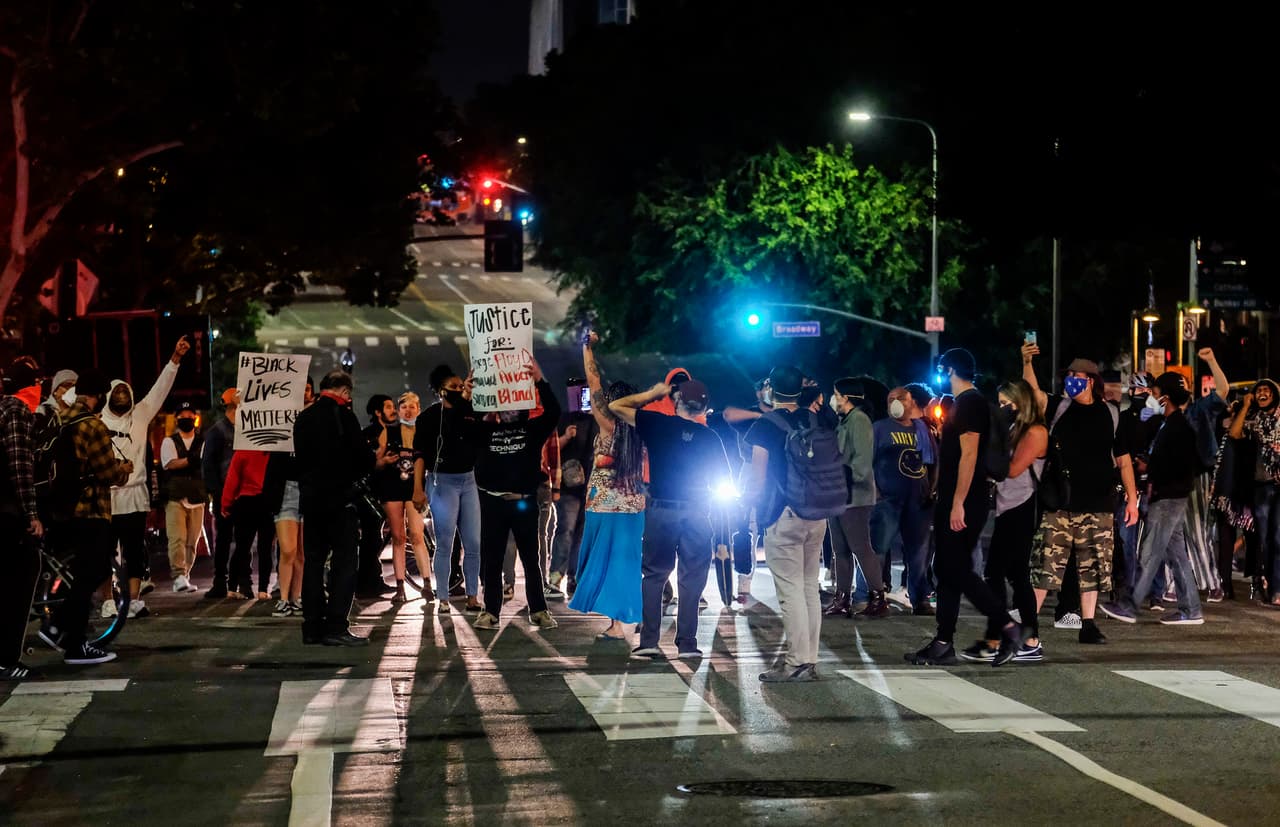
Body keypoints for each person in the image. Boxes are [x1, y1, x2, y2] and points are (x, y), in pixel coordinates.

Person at [906, 349, 1023, 667]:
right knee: (946, 571)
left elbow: (969, 456)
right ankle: (943, 642)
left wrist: (957, 503)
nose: (940, 375)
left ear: (950, 370)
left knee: (957, 570)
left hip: (966, 500)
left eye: (942, 370)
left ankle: (1009, 627)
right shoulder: (960, 404)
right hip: (956, 498)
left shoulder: (970, 404)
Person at [1021, 345, 1139, 646]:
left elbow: (1124, 460)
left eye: (1077, 376)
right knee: (1045, 566)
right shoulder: (1058, 407)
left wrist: (1132, 500)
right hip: (1059, 503)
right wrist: (1027, 361)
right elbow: (1032, 392)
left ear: (1091, 380)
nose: (1071, 380)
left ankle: (1088, 625)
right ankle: (1029, 626)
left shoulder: (1111, 413)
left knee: (1094, 568)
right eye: (1069, 376)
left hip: (1099, 504)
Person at [612, 377, 731, 660]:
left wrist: (652, 393)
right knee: (692, 579)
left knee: (654, 574)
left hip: (662, 510)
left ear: (678, 401)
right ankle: (687, 644)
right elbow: (724, 480)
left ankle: (649, 641)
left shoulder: (657, 423)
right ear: (704, 407)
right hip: (698, 512)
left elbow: (615, 406)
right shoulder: (710, 437)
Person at [744, 366, 839, 681]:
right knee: (809, 586)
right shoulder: (815, 418)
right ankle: (808, 660)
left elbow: (757, 476)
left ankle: (796, 662)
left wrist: (750, 504)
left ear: (772, 389)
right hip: (816, 512)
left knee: (790, 590)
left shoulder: (765, 425)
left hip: (782, 514)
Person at [39, 368, 131, 665]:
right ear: (98, 396)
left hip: (64, 510)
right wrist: (124, 470)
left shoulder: (63, 420)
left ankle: (74, 642)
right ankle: (57, 628)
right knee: (91, 573)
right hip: (92, 509)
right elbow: (106, 473)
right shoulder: (93, 426)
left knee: (81, 574)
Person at [1102, 373, 1207, 625]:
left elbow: (1182, 464)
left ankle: (1130, 605)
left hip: (1168, 497)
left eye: (1155, 391)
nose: (1152, 396)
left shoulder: (1178, 426)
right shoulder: (1168, 423)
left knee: (1149, 553)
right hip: (1170, 496)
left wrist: (1150, 471)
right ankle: (1191, 609)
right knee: (1177, 555)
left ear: (1166, 396)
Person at [294, 370, 390, 645]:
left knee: (313, 562)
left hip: (311, 502)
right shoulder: (344, 417)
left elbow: (298, 461)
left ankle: (312, 627)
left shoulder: (304, 418)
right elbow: (363, 460)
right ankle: (336, 626)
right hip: (339, 500)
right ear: (345, 392)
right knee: (345, 563)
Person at [960, 379, 1048, 662]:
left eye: (1005, 403)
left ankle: (1024, 638)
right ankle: (1000, 637)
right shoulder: (1012, 429)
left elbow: (1011, 470)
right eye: (998, 403)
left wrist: (990, 452)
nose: (1001, 409)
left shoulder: (1035, 432)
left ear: (1021, 402)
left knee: (1006, 573)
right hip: (1005, 506)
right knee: (1004, 572)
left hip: (1023, 506)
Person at [103, 336, 190, 616]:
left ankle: (133, 599)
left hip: (135, 496)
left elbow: (159, 390)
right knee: (103, 553)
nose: (121, 397)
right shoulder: (96, 420)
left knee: (134, 553)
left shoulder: (140, 415)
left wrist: (174, 360)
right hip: (105, 497)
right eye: (116, 393)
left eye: (124, 393)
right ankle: (107, 601)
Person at [567, 332, 646, 640]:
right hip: (634, 507)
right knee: (627, 564)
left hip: (603, 505)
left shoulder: (607, 424)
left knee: (601, 563)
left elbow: (593, 380)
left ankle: (619, 622)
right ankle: (627, 617)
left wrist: (587, 348)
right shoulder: (644, 428)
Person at [472, 358, 561, 630]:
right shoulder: (486, 431)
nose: (509, 409)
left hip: (524, 504)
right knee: (493, 559)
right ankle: (491, 612)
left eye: (514, 405)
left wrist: (540, 380)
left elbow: (553, 412)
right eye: (504, 406)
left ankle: (539, 611)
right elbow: (464, 423)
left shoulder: (532, 430)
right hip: (493, 503)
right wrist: (470, 393)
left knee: (530, 559)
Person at [419, 365, 483, 613]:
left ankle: (472, 596)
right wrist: (418, 489)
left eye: (461, 386)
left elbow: (476, 435)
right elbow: (420, 455)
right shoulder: (429, 417)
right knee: (445, 543)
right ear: (440, 391)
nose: (459, 390)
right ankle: (443, 597)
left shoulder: (470, 411)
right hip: (441, 482)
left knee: (473, 543)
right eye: (454, 387)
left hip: (469, 481)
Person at [870, 386, 936, 615]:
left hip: (918, 502)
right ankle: (874, 597)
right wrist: (877, 492)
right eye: (890, 399)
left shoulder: (923, 429)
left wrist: (932, 489)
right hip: (888, 500)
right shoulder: (879, 428)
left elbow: (933, 462)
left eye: (900, 398)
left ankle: (920, 600)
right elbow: (869, 462)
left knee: (918, 554)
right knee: (878, 549)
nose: (895, 403)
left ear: (911, 403)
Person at [365, 392, 431, 603]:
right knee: (398, 536)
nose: (407, 410)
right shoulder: (389, 431)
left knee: (417, 534)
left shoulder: (423, 431)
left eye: (412, 407)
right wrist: (383, 460)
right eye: (404, 407)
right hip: (391, 487)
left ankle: (427, 584)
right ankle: (400, 586)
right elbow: (376, 461)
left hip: (415, 488)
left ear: (418, 409)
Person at [824, 377, 881, 618]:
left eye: (836, 394)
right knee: (840, 550)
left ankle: (878, 598)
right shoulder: (844, 420)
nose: (833, 399)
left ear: (846, 398)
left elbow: (862, 461)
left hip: (855, 497)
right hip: (840, 495)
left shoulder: (859, 420)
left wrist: (846, 480)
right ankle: (842, 598)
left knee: (860, 547)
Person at [1, 362, 44, 679]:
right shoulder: (17, 410)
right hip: (6, 512)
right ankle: (6, 659)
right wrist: (31, 513)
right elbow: (20, 465)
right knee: (22, 574)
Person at [1227, 378, 1280, 606]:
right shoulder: (1255, 419)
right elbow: (1235, 433)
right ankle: (1268, 583)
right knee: (1265, 540)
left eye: (1267, 390)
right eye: (1259, 390)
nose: (1263, 393)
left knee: (1278, 538)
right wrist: (1246, 406)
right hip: (1261, 486)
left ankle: (1277, 590)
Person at [550, 379, 598, 598]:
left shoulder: (596, 420)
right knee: (565, 531)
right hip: (568, 489)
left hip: (589, 489)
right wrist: (566, 437)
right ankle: (555, 578)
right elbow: (551, 449)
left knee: (580, 534)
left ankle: (574, 578)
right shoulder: (563, 418)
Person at [160, 401, 205, 593]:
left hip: (197, 496)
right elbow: (170, 464)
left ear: (194, 418)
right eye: (182, 415)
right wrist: (191, 460)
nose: (186, 418)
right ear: (176, 419)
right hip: (175, 496)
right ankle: (178, 574)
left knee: (192, 540)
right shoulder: (169, 441)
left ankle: (186, 575)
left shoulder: (203, 441)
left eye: (189, 415)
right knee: (176, 537)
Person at [221, 449, 275, 599]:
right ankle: (263, 590)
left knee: (242, 547)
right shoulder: (275, 451)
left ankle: (232, 587)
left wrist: (226, 503)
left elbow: (232, 479)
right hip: (267, 503)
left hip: (245, 502)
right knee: (265, 549)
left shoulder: (243, 451)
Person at [202, 388, 240, 598]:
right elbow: (208, 465)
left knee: (239, 538)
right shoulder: (217, 432)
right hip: (225, 492)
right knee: (225, 538)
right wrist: (216, 493)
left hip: (240, 492)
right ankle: (221, 581)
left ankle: (235, 580)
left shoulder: (242, 430)